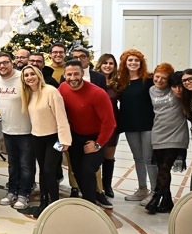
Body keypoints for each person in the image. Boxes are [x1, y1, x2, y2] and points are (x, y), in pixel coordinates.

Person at [59, 60, 116, 205]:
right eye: (69, 74)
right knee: (77, 170)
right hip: (75, 136)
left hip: (96, 137)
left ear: (82, 73)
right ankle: (89, 197)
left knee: (87, 170)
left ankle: (90, 204)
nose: (73, 78)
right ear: (64, 75)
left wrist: (98, 144)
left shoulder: (98, 93)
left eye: (76, 74)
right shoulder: (62, 88)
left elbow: (110, 123)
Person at [21, 65, 71, 218]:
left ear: (38, 75)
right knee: (43, 170)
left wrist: (65, 140)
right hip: (37, 138)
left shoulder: (51, 91)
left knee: (50, 170)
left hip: (54, 139)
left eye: (32, 74)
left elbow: (61, 117)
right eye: (26, 75)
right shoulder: (28, 93)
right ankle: (43, 202)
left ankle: (54, 203)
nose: (29, 77)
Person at [0, 52, 34, 210]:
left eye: (5, 62)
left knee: (26, 165)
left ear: (12, 63)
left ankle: (24, 194)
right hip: (8, 129)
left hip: (26, 130)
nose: (2, 66)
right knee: (12, 163)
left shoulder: (22, 77)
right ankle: (12, 191)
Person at [146, 64, 189, 214]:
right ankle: (167, 201)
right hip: (158, 132)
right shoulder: (151, 90)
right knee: (162, 169)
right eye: (157, 76)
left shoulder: (177, 90)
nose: (159, 80)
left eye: (164, 78)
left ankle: (155, 198)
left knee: (165, 167)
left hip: (176, 133)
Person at [117, 49, 156, 204]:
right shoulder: (121, 82)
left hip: (148, 124)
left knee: (149, 158)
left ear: (141, 63)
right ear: (125, 63)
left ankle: (155, 192)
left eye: (136, 60)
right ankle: (142, 189)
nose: (133, 63)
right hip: (130, 125)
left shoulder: (148, 80)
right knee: (138, 158)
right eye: (130, 60)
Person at [94, 53, 121, 198]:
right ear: (100, 64)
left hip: (112, 123)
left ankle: (107, 185)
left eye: (111, 63)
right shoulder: (94, 80)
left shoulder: (117, 83)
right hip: (96, 123)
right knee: (96, 155)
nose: (108, 66)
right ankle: (96, 187)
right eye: (105, 63)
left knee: (109, 156)